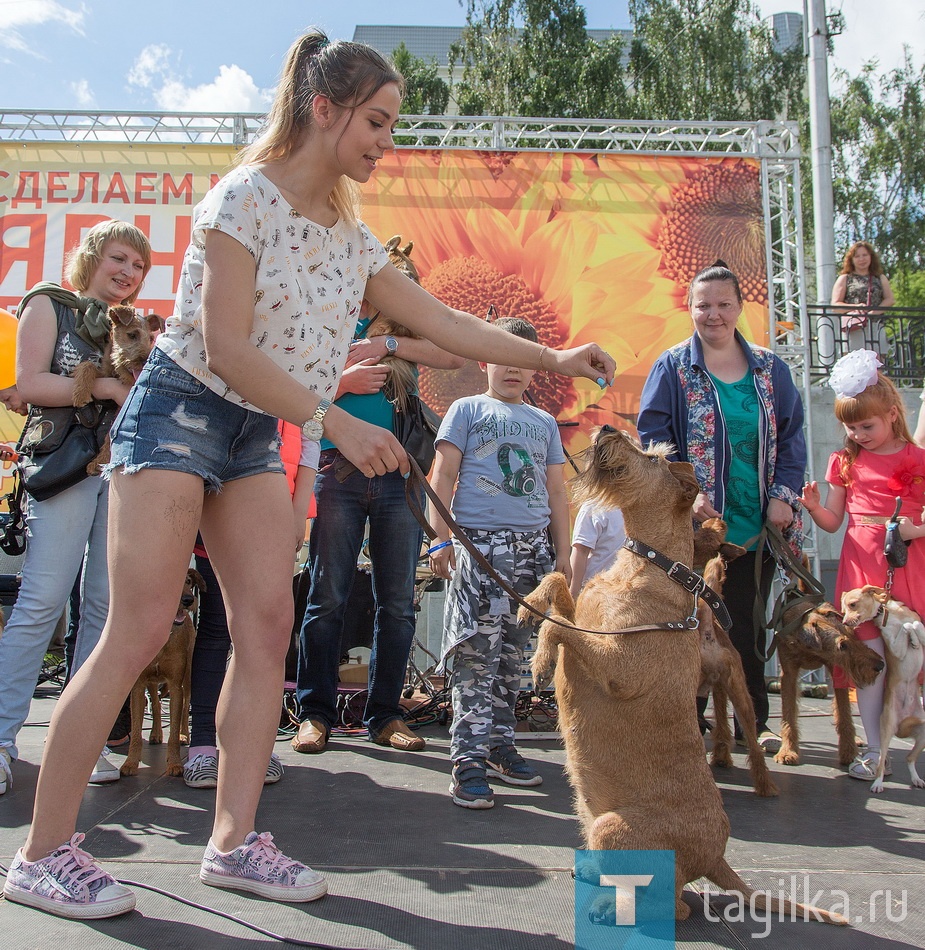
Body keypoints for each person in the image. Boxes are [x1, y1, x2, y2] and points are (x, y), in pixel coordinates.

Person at [2, 29, 615, 920]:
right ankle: (42, 853)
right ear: (322, 109)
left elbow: (442, 322)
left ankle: (232, 842)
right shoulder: (239, 200)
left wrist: (555, 355)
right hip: (181, 408)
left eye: (392, 125)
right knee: (134, 632)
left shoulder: (354, 235)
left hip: (255, 429)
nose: (386, 140)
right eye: (376, 120)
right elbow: (223, 347)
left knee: (266, 625)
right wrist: (328, 420)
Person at [0, 221, 152, 800]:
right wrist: (107, 390)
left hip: (120, 471)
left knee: (103, 609)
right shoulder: (49, 304)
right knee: (41, 601)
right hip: (64, 465)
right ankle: (2, 741)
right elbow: (29, 383)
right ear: (92, 257)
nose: (128, 273)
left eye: (138, 267)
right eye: (120, 259)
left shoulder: (132, 325)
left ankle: (79, 743)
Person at [292, 263, 465, 756]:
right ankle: (315, 713)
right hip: (335, 471)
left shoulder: (402, 329)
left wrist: (385, 346)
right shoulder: (324, 316)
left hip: (399, 477)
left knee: (397, 604)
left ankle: (385, 714)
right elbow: (291, 394)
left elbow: (453, 353)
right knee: (327, 597)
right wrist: (342, 382)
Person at [636, 260, 806, 755]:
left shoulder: (771, 369)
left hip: (756, 525)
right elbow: (654, 438)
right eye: (703, 305)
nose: (713, 314)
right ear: (690, 308)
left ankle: (753, 720)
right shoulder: (672, 366)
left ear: (739, 308)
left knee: (745, 624)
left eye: (723, 304)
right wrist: (688, 493)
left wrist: (783, 497)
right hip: (694, 530)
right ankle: (684, 725)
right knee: (688, 623)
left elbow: (792, 441)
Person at [428, 317, 571, 809]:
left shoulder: (545, 422)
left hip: (533, 553)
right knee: (475, 657)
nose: (513, 367)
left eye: (524, 358)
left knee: (514, 658)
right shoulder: (466, 410)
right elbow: (442, 475)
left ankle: (499, 744)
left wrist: (563, 556)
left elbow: (556, 491)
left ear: (535, 368)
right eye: (502, 355)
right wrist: (440, 541)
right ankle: (466, 760)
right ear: (484, 360)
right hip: (481, 550)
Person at [801, 350, 925, 780]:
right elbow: (834, 523)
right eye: (851, 427)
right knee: (869, 663)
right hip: (861, 572)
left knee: (912, 658)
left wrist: (913, 531)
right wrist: (815, 508)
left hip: (908, 567)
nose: (858, 433)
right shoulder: (844, 461)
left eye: (866, 425)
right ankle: (875, 751)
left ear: (892, 414)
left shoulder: (919, 458)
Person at [184, 422, 317, 789]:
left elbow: (311, 436)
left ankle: (254, 748)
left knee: (261, 636)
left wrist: (298, 510)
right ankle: (203, 747)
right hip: (215, 498)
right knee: (215, 629)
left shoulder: (305, 371)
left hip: (275, 508)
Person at [831, 241, 895, 354]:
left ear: (871, 257)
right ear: (852, 259)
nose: (862, 259)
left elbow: (890, 299)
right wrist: (856, 307)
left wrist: (874, 312)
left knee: (877, 365)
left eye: (865, 255)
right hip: (854, 327)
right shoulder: (845, 278)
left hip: (876, 325)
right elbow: (835, 305)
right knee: (855, 365)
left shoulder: (880, 278)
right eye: (857, 256)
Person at [568, 500, 626, 599]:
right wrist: (573, 596)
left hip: (628, 591)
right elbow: (580, 551)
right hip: (596, 593)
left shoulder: (644, 504)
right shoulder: (594, 506)